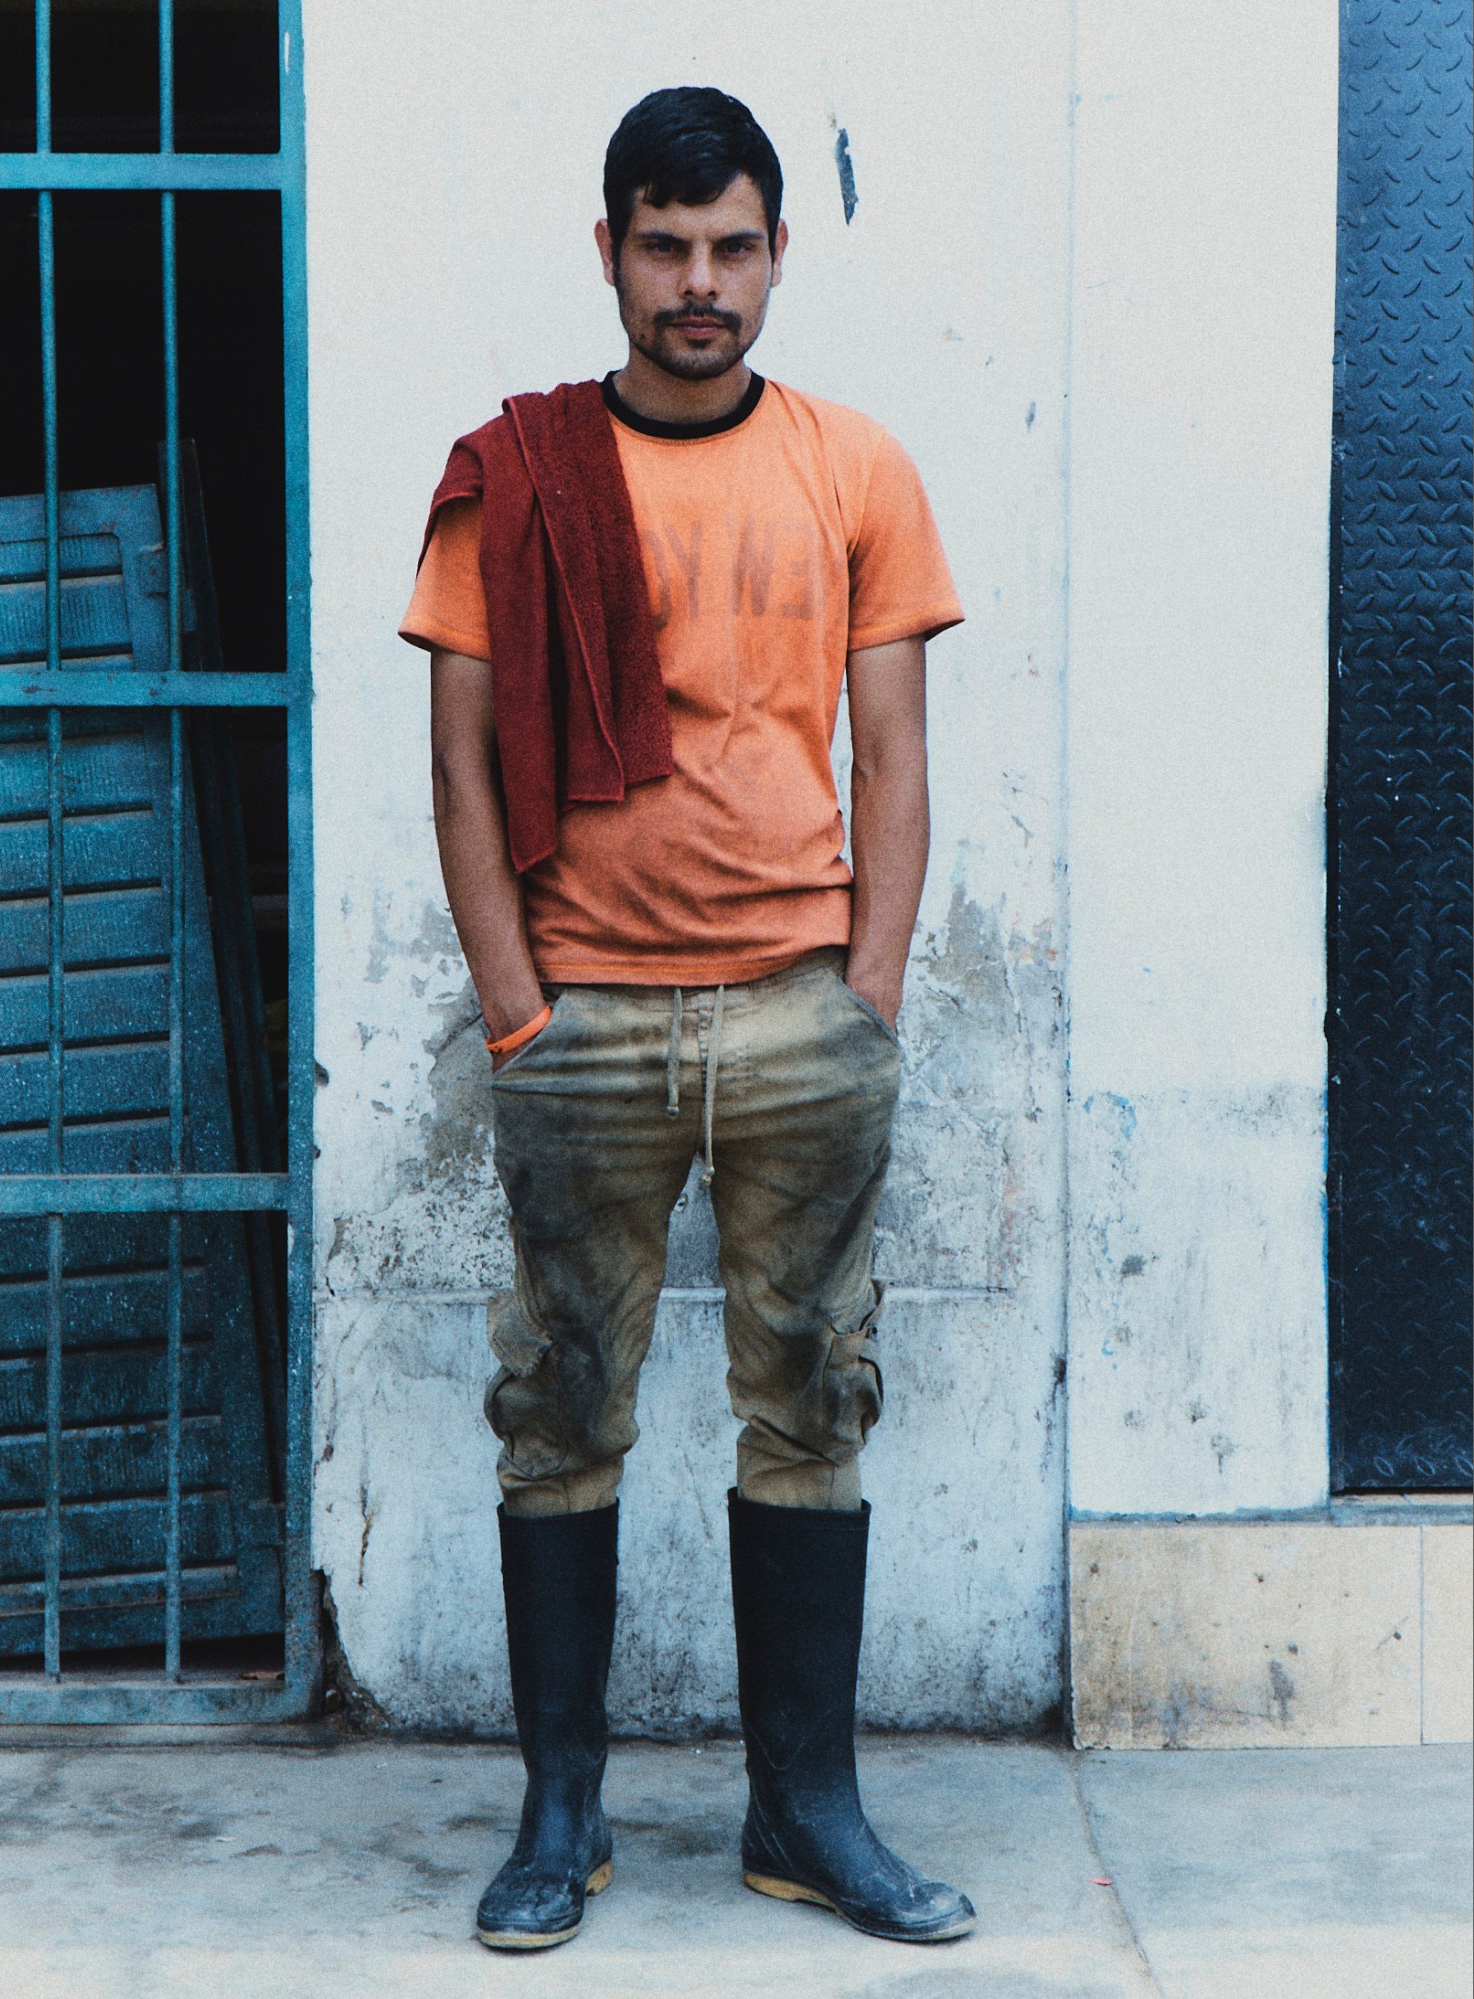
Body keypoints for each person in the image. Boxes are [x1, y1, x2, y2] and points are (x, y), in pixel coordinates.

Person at [400, 85, 976, 1953]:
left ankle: (804, 1810)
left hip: (806, 1012)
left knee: (811, 1403)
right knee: (558, 1409)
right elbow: (465, 767)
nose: (699, 285)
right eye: (665, 245)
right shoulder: (522, 475)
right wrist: (515, 1008)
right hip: (584, 1025)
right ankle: (559, 1817)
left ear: (778, 254)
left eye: (733, 247)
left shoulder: (858, 468)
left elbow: (892, 757)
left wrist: (870, 998)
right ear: (609, 252)